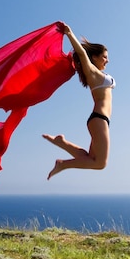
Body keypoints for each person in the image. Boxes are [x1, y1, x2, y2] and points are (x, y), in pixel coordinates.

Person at [43, 22, 115, 180]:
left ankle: (62, 143)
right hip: (99, 119)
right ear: (94, 57)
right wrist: (69, 33)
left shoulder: (100, 75)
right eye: (104, 57)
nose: (107, 61)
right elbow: (82, 53)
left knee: (92, 158)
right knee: (100, 163)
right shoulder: (92, 72)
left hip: (100, 120)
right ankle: (63, 164)